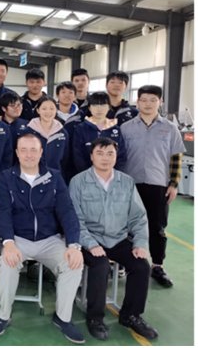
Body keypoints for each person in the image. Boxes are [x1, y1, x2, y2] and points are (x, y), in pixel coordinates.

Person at [0, 134, 84, 343]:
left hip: (49, 239)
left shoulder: (55, 177)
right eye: (24, 150)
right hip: (18, 239)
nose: (29, 155)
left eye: (34, 150)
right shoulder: (6, 177)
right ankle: (4, 315)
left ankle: (63, 318)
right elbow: (3, 212)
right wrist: (8, 242)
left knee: (73, 263)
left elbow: (67, 211)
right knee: (7, 263)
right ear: (17, 153)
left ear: (41, 153)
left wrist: (73, 245)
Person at [69, 138, 158, 340]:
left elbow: (138, 217)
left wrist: (139, 243)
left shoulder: (126, 182)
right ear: (91, 156)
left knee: (142, 266)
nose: (105, 158)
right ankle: (95, 318)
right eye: (100, 153)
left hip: (118, 239)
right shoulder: (78, 182)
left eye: (110, 153)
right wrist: (90, 244)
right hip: (90, 239)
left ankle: (131, 315)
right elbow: (75, 219)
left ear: (116, 157)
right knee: (101, 266)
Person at [122, 85, 186, 288]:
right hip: (130, 185)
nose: (148, 104)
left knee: (157, 227)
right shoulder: (126, 128)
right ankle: (128, 263)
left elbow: (176, 158)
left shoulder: (170, 128)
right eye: (144, 100)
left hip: (158, 184)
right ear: (137, 102)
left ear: (160, 102)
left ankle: (157, 266)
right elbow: (119, 157)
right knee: (127, 226)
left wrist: (174, 184)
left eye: (153, 100)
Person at [72, 92, 127, 174]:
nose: (99, 109)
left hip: (111, 176)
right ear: (89, 108)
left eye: (103, 105)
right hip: (86, 176)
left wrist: (113, 174)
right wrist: (88, 175)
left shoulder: (116, 129)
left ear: (109, 107)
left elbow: (121, 155)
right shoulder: (81, 128)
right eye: (95, 105)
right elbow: (78, 155)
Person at [20, 96, 69, 176]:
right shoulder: (29, 131)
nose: (48, 112)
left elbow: (66, 159)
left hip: (56, 177)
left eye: (52, 108)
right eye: (44, 109)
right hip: (32, 176)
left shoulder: (63, 133)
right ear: (38, 110)